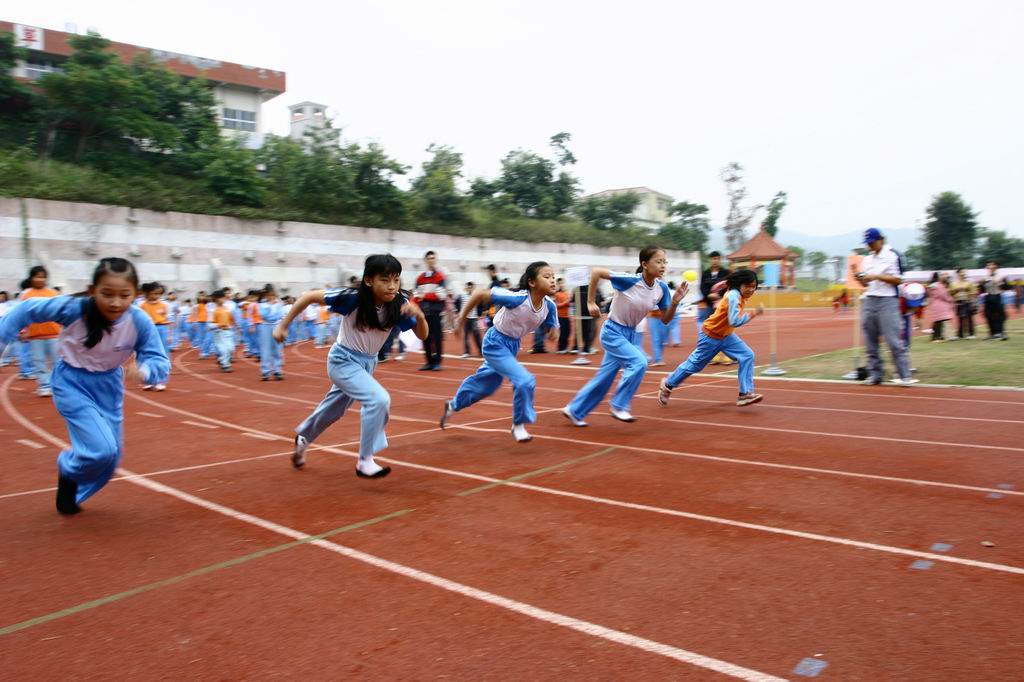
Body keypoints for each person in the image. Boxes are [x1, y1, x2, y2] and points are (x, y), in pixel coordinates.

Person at [0, 257, 170, 514]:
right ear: (92, 290)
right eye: (107, 294)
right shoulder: (74, 309)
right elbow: (27, 309)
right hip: (71, 382)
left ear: (135, 294)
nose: (116, 303)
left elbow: (159, 359)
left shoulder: (139, 321)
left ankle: (72, 481)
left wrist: (146, 371)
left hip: (108, 387)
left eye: (124, 295)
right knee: (102, 449)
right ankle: (69, 468)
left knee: (112, 458)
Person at [274, 254, 427, 478]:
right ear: (369, 280)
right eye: (385, 280)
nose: (392, 286)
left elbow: (422, 335)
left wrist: (420, 317)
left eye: (396, 280)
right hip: (343, 360)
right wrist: (283, 326)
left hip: (368, 364)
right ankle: (365, 461)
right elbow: (308, 297)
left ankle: (303, 438)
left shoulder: (400, 304)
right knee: (378, 399)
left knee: (333, 410)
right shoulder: (352, 298)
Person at [564, 247, 688, 426]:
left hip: (629, 334)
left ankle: (575, 410)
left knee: (604, 378)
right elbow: (597, 272)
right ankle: (619, 405)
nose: (663, 266)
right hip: (613, 331)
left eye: (665, 262)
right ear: (644, 264)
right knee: (639, 362)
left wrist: (675, 303)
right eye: (658, 261)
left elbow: (666, 319)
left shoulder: (661, 288)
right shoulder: (629, 280)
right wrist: (590, 302)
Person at [441, 261, 558, 443]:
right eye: (547, 276)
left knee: (487, 385)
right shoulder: (517, 298)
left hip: (513, 346)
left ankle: (453, 404)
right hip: (495, 342)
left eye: (553, 277)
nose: (553, 280)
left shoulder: (550, 306)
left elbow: (554, 330)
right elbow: (479, 294)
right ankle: (518, 424)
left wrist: (553, 333)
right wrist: (460, 321)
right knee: (525, 380)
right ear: (532, 282)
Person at [658, 269, 766, 407]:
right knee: (694, 365)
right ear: (739, 284)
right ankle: (668, 384)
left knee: (747, 355)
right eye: (747, 286)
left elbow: (723, 287)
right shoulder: (733, 296)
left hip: (726, 336)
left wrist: (721, 287)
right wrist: (754, 313)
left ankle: (745, 393)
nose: (750, 289)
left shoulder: (738, 293)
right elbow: (734, 321)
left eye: (753, 286)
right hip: (710, 336)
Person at [853, 228, 917, 385]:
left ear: (881, 240)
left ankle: (905, 375)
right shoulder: (867, 260)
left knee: (893, 340)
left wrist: (876, 276)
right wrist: (860, 278)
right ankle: (875, 374)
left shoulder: (892, 255)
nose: (869, 246)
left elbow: (898, 280)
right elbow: (866, 284)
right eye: (867, 243)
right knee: (870, 340)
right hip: (870, 298)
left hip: (888, 300)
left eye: (872, 242)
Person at [20, 265, 62, 397]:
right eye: (37, 277)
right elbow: (21, 315)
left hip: (54, 334)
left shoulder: (53, 294)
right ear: (31, 278)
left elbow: (60, 312)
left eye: (43, 277)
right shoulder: (26, 295)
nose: (40, 280)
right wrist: (23, 331)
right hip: (35, 336)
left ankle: (58, 385)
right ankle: (45, 386)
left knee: (57, 361)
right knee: (39, 361)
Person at [414, 250, 450, 371]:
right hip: (423, 313)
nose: (431, 260)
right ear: (425, 260)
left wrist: (424, 295)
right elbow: (416, 295)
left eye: (433, 258)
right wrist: (427, 296)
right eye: (429, 258)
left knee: (437, 338)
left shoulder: (440, 277)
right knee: (425, 337)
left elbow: (441, 295)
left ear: (435, 260)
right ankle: (429, 362)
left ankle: (437, 362)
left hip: (436, 313)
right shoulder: (420, 278)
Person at [699, 252, 733, 366]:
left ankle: (727, 355)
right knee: (712, 330)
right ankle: (715, 355)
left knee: (724, 329)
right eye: (713, 259)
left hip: (723, 305)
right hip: (709, 305)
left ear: (720, 260)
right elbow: (702, 287)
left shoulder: (726, 273)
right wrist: (709, 295)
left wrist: (718, 296)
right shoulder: (705, 274)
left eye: (717, 258)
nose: (715, 261)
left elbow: (729, 286)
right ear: (710, 260)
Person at [138, 282, 171, 390]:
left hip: (161, 329)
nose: (157, 296)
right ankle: (150, 381)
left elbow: (167, 320)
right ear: (147, 293)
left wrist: (170, 334)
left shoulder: (163, 305)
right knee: (146, 354)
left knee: (162, 354)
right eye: (155, 293)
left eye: (159, 294)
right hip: (148, 330)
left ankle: (161, 380)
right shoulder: (142, 305)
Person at [258, 286, 285, 380]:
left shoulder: (279, 304)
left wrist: (273, 312)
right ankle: (265, 372)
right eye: (269, 295)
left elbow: (279, 315)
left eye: (273, 295)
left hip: (276, 326)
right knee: (265, 349)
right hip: (265, 326)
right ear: (266, 295)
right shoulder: (262, 305)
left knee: (277, 348)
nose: (271, 297)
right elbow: (264, 315)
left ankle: (278, 371)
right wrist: (270, 306)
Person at [980, 260, 1009, 340]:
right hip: (988, 297)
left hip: (997, 296)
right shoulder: (985, 277)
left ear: (996, 266)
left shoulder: (1001, 276)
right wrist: (981, 284)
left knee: (999, 315)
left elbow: (1007, 288)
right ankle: (992, 333)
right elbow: (982, 290)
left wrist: (1000, 283)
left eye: (991, 265)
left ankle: (1000, 333)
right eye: (988, 265)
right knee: (988, 315)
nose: (989, 267)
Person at [210, 289, 235, 372]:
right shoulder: (212, 310)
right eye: (221, 298)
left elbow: (231, 319)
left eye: (224, 298)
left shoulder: (227, 308)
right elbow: (210, 324)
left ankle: (221, 359)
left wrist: (233, 325)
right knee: (224, 349)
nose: (223, 299)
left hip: (228, 331)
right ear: (216, 299)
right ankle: (225, 365)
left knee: (231, 348)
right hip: (219, 332)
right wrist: (219, 325)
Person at [948, 269, 976, 339]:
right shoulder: (953, 283)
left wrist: (972, 302)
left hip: (967, 301)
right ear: (957, 274)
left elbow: (973, 292)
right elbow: (950, 293)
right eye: (961, 272)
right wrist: (954, 298)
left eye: (964, 272)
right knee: (960, 318)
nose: (963, 274)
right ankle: (960, 334)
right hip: (958, 302)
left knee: (969, 318)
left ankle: (971, 334)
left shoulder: (969, 282)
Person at [927, 273, 954, 342]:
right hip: (941, 305)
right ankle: (940, 337)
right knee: (943, 320)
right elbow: (943, 295)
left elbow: (930, 295)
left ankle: (937, 336)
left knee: (938, 321)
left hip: (935, 304)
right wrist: (951, 300)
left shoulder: (932, 286)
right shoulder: (939, 286)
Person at [459, 282, 484, 358]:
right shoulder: (462, 296)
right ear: (467, 288)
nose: (470, 289)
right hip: (465, 318)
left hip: (474, 318)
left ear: (473, 288)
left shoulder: (476, 296)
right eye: (469, 287)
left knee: (477, 335)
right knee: (466, 336)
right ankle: (467, 352)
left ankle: (481, 351)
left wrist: (479, 314)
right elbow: (459, 305)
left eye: (471, 287)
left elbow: (481, 305)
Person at [554, 278, 572, 354]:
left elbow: (569, 303)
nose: (562, 284)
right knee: (563, 332)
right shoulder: (556, 294)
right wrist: (566, 302)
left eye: (563, 283)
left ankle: (565, 347)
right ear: (558, 284)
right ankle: (561, 348)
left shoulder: (567, 293)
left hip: (567, 316)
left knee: (568, 332)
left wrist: (569, 303)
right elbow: (556, 305)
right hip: (560, 316)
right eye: (560, 283)